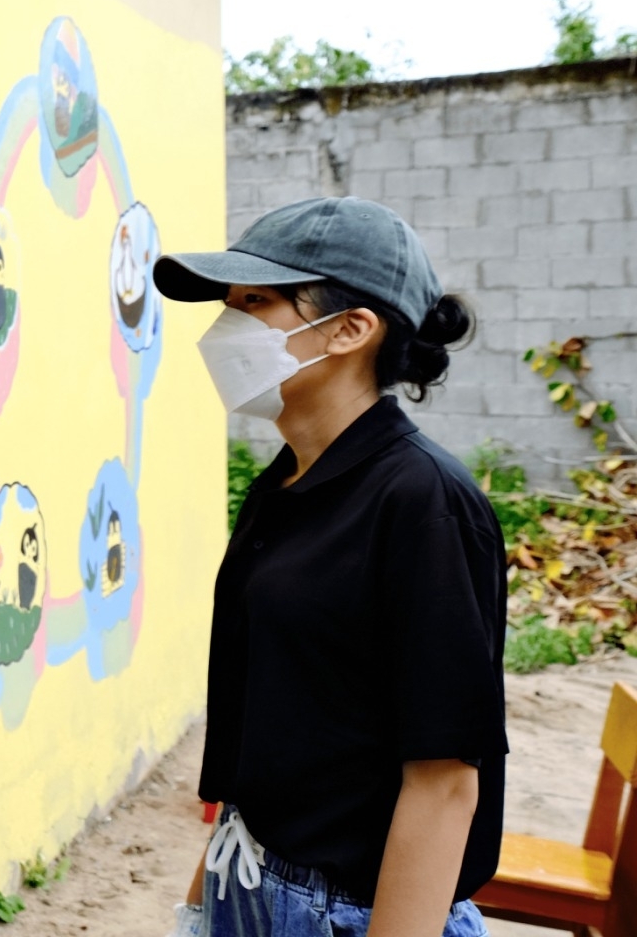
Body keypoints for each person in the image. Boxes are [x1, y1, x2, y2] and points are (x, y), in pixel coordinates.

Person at [154, 196, 502, 937]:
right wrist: (202, 905)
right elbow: (265, 732)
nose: (226, 325)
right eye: (228, 302)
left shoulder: (423, 502)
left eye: (255, 302)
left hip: (349, 912)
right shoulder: (285, 484)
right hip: (250, 878)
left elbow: (445, 784)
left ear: (350, 329)